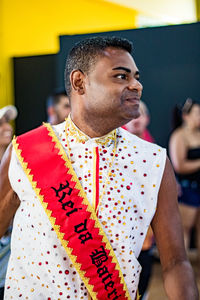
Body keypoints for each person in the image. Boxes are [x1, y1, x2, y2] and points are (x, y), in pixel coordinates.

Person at [0, 37, 198, 300]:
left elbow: (175, 262)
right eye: (120, 76)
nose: (136, 85)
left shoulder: (154, 162)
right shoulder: (24, 152)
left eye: (136, 77)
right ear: (79, 82)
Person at [123, 101, 155, 300]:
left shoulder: (156, 153)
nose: (136, 118)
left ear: (147, 119)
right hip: (120, 228)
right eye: (131, 114)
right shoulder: (110, 149)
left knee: (144, 276)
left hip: (146, 229)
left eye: (140, 114)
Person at [169, 98, 200, 264]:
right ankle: (184, 269)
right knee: (185, 231)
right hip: (187, 189)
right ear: (186, 116)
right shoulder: (179, 136)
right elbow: (179, 166)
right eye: (197, 113)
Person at [0, 105, 17, 300]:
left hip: (11, 273)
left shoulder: (17, 163)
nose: (6, 127)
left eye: (7, 122)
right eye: (0, 123)